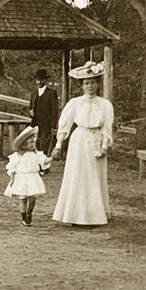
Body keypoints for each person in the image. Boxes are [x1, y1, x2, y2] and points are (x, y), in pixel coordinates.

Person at [50, 61, 114, 226]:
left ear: (97, 84)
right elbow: (65, 124)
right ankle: (75, 215)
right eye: (86, 83)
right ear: (82, 86)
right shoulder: (75, 103)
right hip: (79, 141)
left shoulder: (105, 104)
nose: (90, 86)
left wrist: (104, 146)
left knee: (94, 177)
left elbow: (107, 127)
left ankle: (94, 216)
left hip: (96, 140)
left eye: (93, 82)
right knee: (77, 176)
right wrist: (58, 145)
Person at [4, 125, 51, 226]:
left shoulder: (37, 154)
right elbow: (12, 167)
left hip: (33, 177)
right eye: (31, 142)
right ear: (24, 144)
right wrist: (12, 178)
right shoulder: (18, 155)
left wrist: (52, 157)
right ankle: (24, 217)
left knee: (33, 198)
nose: (33, 144)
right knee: (23, 199)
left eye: (34, 142)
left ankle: (30, 213)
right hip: (22, 178)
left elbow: (44, 161)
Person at [28, 69, 59, 154]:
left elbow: (55, 111)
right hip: (35, 123)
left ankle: (43, 160)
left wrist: (53, 126)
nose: (39, 82)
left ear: (45, 80)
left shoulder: (51, 93)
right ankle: (36, 160)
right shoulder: (33, 93)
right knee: (35, 143)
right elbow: (30, 108)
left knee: (44, 144)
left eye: (41, 80)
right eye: (37, 80)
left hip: (46, 124)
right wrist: (30, 112)